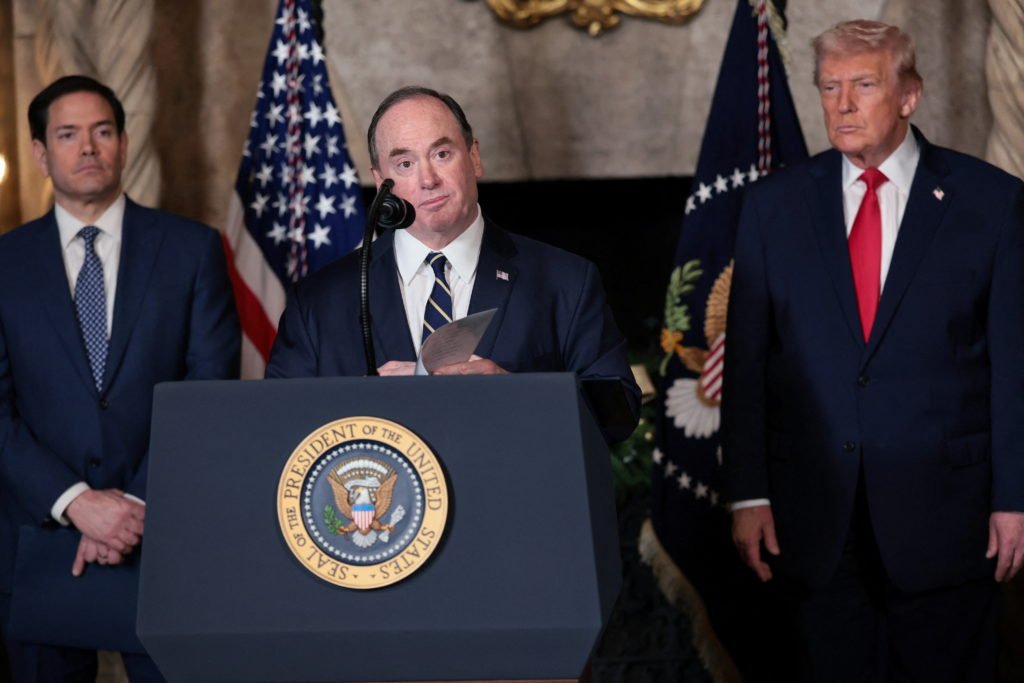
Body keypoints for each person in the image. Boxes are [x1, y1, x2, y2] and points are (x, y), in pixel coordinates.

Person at [722, 20, 1024, 682]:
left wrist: (1015, 497)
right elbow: (746, 364)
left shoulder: (991, 202)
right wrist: (747, 493)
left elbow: (1013, 368)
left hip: (949, 518)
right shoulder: (774, 208)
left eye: (863, 84)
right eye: (829, 87)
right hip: (815, 519)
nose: (842, 104)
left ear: (909, 95)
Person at [0, 75, 239, 681]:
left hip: (162, 532)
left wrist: (133, 504)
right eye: (68, 134)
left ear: (125, 144)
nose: (88, 148)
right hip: (38, 535)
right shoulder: (3, 263)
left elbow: (209, 392)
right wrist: (77, 503)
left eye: (102, 131)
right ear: (39, 151)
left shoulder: (193, 249)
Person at [266, 86, 639, 439]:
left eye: (441, 154)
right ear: (381, 181)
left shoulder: (565, 281)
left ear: (474, 157)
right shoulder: (319, 301)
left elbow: (619, 415)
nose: (427, 179)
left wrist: (517, 395)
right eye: (405, 163)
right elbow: (278, 424)